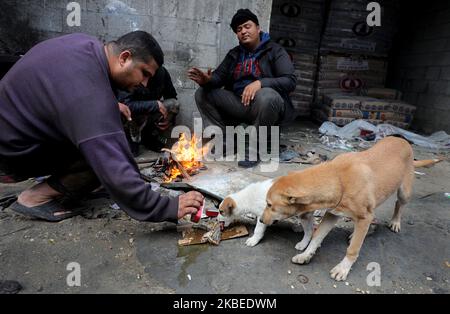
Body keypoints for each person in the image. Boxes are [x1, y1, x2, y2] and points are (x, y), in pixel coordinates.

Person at [0, 31, 204, 222]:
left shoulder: (86, 45)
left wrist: (113, 106)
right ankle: (33, 198)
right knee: (102, 163)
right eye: (144, 73)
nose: (145, 84)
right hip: (10, 155)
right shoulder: (90, 94)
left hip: (16, 131)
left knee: (115, 124)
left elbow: (60, 91)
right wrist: (165, 207)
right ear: (124, 57)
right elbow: (112, 162)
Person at [188, 9, 297, 168]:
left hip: (265, 107)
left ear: (258, 28)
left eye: (247, 26)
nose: (243, 31)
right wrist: (207, 80)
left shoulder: (275, 50)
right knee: (202, 93)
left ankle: (255, 148)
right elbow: (219, 77)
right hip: (240, 104)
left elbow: (290, 81)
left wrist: (261, 83)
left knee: (268, 96)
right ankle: (225, 140)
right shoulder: (234, 54)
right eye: (239, 30)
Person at [115, 66, 180, 156]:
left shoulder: (162, 73)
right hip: (131, 119)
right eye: (145, 75)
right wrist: (154, 105)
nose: (145, 84)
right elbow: (125, 105)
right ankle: (130, 139)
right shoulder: (128, 72)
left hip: (149, 118)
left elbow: (171, 96)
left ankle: (149, 137)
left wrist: (169, 118)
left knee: (173, 104)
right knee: (132, 153)